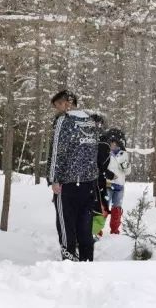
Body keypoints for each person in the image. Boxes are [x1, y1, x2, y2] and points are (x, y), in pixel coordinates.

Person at [47, 90, 99, 261]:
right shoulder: (91, 121)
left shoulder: (64, 121)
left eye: (58, 105)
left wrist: (54, 178)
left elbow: (57, 152)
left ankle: (69, 261)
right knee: (85, 226)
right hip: (89, 183)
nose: (58, 110)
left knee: (66, 225)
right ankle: (87, 261)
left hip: (67, 183)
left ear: (66, 103)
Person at [90, 113, 114, 241]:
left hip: (82, 181)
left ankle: (90, 233)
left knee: (91, 210)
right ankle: (90, 234)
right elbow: (101, 164)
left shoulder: (82, 138)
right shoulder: (103, 142)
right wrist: (106, 173)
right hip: (96, 182)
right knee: (99, 211)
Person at [104, 128, 130, 235]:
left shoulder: (124, 154)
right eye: (111, 143)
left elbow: (127, 171)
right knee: (104, 207)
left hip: (120, 186)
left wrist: (125, 166)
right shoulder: (106, 153)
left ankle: (115, 229)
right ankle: (98, 229)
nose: (113, 146)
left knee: (117, 208)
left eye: (115, 144)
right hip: (108, 184)